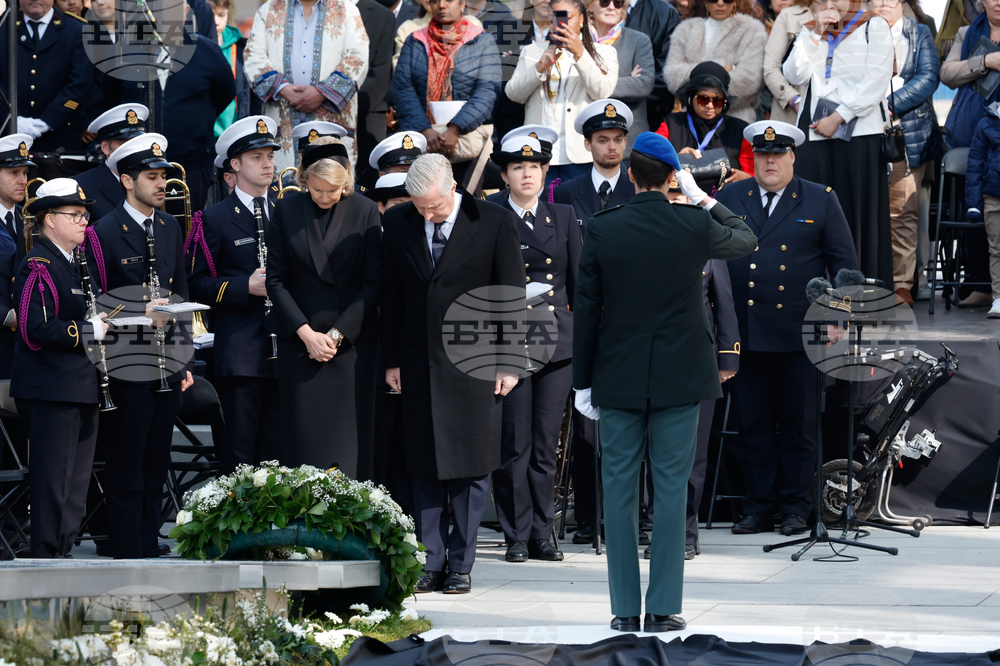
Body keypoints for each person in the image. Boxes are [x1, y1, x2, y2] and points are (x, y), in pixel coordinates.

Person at [573, 131, 756, 632]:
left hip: (618, 372)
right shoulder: (695, 223)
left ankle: (625, 610)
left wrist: (581, 380)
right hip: (682, 374)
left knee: (620, 489)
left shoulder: (604, 228)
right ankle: (664, 606)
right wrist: (701, 197)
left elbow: (588, 310)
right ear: (671, 177)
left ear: (631, 176)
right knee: (672, 490)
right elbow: (746, 238)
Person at [380, 153, 524, 594]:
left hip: (476, 364)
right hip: (418, 361)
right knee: (423, 466)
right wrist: (392, 360)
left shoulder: (494, 221)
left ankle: (461, 564)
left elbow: (510, 293)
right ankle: (430, 560)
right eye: (420, 206)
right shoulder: (401, 223)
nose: (427, 214)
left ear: (453, 190)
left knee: (470, 467)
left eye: (434, 207)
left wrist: (509, 361)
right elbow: (392, 296)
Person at [713, 121, 857, 535]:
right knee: (753, 425)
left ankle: (796, 507)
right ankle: (759, 507)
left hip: (801, 330)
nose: (769, 161)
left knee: (799, 425)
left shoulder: (820, 199)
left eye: (777, 154)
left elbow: (845, 265)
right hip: (746, 329)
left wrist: (839, 314)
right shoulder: (731, 196)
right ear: (753, 158)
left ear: (793, 156)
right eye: (762, 155)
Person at [85, 134, 194, 559]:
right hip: (126, 361)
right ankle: (127, 543)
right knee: (127, 458)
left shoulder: (169, 226)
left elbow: (181, 292)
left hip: (167, 359)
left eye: (163, 175)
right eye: (152, 176)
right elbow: (94, 299)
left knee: (156, 456)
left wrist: (186, 358)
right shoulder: (104, 231)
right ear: (127, 181)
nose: (161, 183)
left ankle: (151, 537)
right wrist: (138, 308)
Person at [486, 135, 580, 564]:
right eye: (518, 168)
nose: (527, 173)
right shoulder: (488, 215)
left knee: (546, 445)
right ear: (504, 174)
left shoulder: (563, 216)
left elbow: (579, 286)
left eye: (536, 167)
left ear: (545, 173)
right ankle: (516, 534)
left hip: (556, 341)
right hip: (507, 342)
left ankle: (543, 531)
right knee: (513, 445)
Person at [265, 139, 383, 478]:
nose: (324, 197)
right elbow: (276, 280)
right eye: (317, 189)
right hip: (301, 346)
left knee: (350, 448)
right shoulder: (287, 209)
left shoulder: (365, 209)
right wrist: (306, 334)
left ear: (346, 182)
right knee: (305, 448)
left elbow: (373, 283)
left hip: (350, 346)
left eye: (333, 190)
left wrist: (335, 335)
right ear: (304, 180)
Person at [10, 179, 102, 558]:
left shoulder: (75, 264)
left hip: (82, 384)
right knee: (53, 481)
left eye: (84, 215)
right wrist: (85, 331)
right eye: (75, 215)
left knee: (76, 482)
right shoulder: (38, 264)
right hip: (51, 388)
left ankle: (62, 550)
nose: (84, 222)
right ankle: (47, 556)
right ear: (49, 219)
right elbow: (35, 328)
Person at [187, 117, 282, 474]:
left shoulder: (288, 210)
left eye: (270, 155)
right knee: (241, 448)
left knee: (280, 448)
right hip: (241, 352)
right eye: (257, 156)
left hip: (285, 349)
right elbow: (195, 283)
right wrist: (245, 287)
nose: (268, 163)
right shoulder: (213, 219)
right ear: (235, 165)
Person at [782, 0, 894, 288]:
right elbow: (794, 75)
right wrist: (814, 34)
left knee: (859, 218)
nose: (831, 5)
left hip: (858, 137)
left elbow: (876, 80)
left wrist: (838, 116)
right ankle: (814, 294)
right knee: (812, 216)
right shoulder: (812, 30)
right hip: (814, 135)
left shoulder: (873, 25)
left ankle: (862, 298)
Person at [106, 6, 237, 213]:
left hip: (191, 164)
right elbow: (109, 94)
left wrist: (198, 122)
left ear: (186, 11)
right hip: (137, 163)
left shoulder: (206, 50)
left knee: (187, 233)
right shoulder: (125, 50)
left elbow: (225, 92)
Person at [244, 0, 370, 170]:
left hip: (331, 120)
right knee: (285, 188)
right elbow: (252, 56)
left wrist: (322, 92)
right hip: (284, 119)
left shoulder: (346, 9)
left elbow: (358, 56)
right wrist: (283, 88)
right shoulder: (269, 10)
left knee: (330, 185)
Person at [506, 0, 619, 185]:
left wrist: (580, 54)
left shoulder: (604, 52)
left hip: (581, 155)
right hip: (540, 154)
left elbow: (602, 91)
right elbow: (513, 94)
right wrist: (540, 67)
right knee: (543, 211)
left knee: (580, 211)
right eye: (555, 17)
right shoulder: (532, 50)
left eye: (568, 17)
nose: (561, 23)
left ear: (582, 19)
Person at [873, 0, 941, 307]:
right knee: (868, 210)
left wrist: (889, 103)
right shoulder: (856, 32)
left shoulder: (919, 32)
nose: (885, 3)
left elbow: (929, 77)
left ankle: (902, 285)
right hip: (863, 133)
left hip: (906, 135)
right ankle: (870, 281)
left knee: (902, 211)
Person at [393, 0, 500, 175]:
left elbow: (487, 92)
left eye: (448, 0)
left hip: (467, 139)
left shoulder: (482, 40)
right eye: (435, 1)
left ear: (462, 3)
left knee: (465, 200)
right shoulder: (415, 41)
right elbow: (403, 89)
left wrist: (455, 128)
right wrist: (424, 130)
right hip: (425, 139)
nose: (441, 5)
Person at [939, 0, 1000, 307]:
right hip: (967, 133)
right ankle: (979, 283)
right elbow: (947, 73)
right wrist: (986, 61)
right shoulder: (967, 32)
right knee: (972, 209)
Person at [0, 0, 96, 154]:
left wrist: (46, 122)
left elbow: (80, 84)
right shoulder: (3, 28)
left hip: (61, 137)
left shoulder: (78, 30)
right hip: (9, 136)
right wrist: (12, 120)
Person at [664, 0, 766, 125]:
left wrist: (691, 72)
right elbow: (672, 77)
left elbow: (749, 81)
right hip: (691, 119)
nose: (720, 3)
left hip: (736, 119)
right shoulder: (686, 28)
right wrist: (723, 68)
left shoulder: (752, 30)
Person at [659, 62, 755, 184]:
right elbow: (652, 165)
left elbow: (753, 175)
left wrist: (745, 179)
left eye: (717, 100)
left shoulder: (741, 130)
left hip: (726, 200)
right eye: (703, 99)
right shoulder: (672, 124)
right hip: (679, 199)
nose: (710, 106)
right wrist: (675, 159)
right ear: (691, 97)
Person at [589, 0, 655, 161]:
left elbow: (644, 84)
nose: (611, 7)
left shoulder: (639, 40)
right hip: (586, 143)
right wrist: (626, 81)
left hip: (629, 143)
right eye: (604, 2)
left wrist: (593, 85)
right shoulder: (577, 41)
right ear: (589, 6)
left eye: (618, 2)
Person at [75, 104, 148, 222]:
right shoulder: (81, 185)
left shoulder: (152, 179)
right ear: (105, 148)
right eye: (124, 144)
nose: (132, 150)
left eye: (136, 143)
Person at [0, 135, 34, 379]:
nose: (23, 181)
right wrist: (6, 316)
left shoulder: (29, 219)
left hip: (26, 341)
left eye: (25, 172)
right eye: (14, 173)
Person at [964, 102, 1000, 319]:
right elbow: (974, 166)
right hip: (994, 196)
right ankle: (998, 297)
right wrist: (973, 205)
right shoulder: (986, 123)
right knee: (996, 249)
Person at [355, 0, 396, 189]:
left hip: (368, 113)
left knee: (367, 187)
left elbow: (380, 72)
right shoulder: (320, 10)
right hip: (319, 107)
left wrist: (344, 106)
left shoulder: (383, 15)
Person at [624, 0, 680, 133]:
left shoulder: (664, 12)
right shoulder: (596, 8)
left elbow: (666, 71)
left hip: (647, 116)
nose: (611, 6)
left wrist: (630, 101)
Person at [762, 0, 813, 125]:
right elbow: (770, 68)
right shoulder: (788, 16)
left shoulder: (856, 16)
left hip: (840, 115)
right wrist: (793, 99)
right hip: (792, 114)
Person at [208, 0, 252, 138]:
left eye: (221, 15)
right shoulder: (192, 47)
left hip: (235, 129)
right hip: (205, 135)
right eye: (210, 15)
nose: (216, 21)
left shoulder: (241, 48)